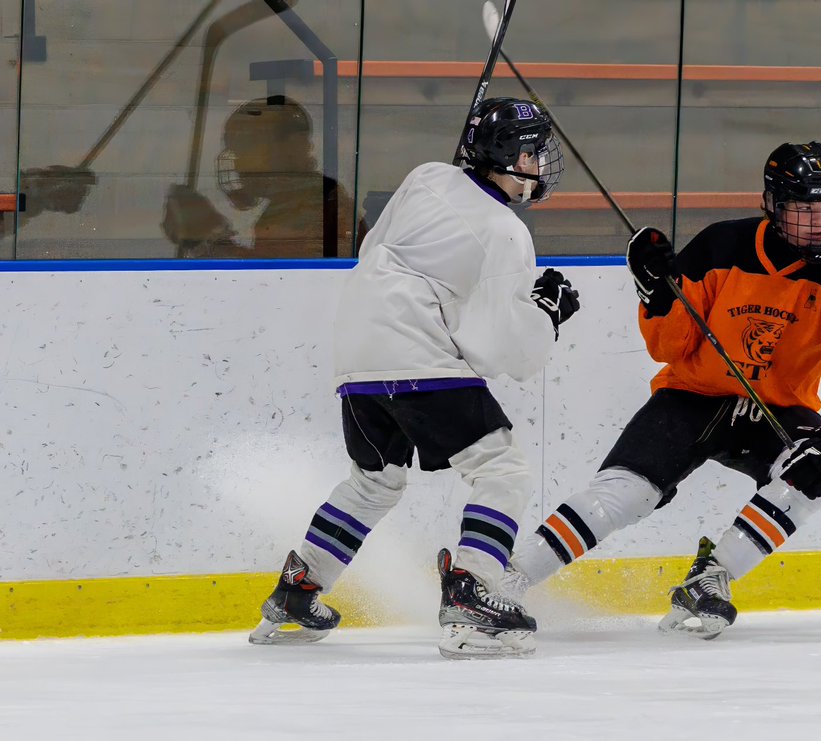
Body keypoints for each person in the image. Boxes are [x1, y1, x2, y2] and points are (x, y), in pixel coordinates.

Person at [505, 141, 821, 638]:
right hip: (691, 395)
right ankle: (507, 580)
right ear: (773, 205)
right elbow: (669, 345)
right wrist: (656, 294)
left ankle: (712, 575)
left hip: (778, 410)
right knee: (625, 495)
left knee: (813, 471)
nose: (819, 221)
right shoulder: (719, 247)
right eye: (804, 208)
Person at [248, 97, 578, 659]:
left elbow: (394, 246)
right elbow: (507, 352)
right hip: (414, 352)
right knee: (501, 469)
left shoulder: (427, 176)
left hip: (356, 353)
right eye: (532, 154)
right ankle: (472, 591)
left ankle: (298, 589)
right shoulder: (506, 232)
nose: (539, 167)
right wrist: (546, 314)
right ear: (507, 156)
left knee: (374, 482)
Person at [161, 95, 364, 258]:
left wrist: (206, 234)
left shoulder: (311, 205)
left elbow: (270, 280)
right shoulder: (296, 200)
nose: (237, 162)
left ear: (292, 147)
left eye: (246, 148)